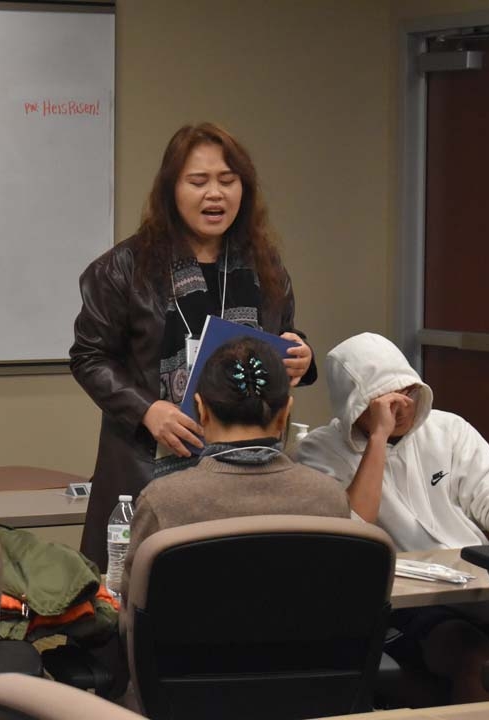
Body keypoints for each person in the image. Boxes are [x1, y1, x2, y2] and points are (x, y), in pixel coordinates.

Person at [70, 122, 316, 569]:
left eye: (227, 180)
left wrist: (301, 354)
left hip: (251, 471)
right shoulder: (123, 267)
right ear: (171, 189)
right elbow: (89, 356)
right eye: (198, 181)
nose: (214, 194)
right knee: (151, 588)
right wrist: (147, 409)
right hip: (149, 464)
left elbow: (285, 335)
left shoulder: (264, 265)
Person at [295, 332, 489, 703]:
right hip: (403, 601)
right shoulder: (319, 451)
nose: (402, 408)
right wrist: (378, 437)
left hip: (478, 581)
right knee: (471, 653)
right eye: (386, 402)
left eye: (409, 394)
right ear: (354, 406)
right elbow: (354, 528)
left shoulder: (449, 429)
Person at [123, 338, 348, 590]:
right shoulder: (330, 499)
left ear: (201, 410)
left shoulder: (162, 502)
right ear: (285, 413)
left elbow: (134, 606)